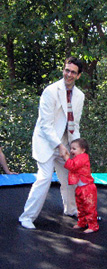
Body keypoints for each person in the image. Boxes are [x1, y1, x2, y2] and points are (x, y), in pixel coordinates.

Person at [19, 56, 85, 229]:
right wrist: (60, 146)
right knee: (45, 178)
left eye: (73, 72)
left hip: (65, 143)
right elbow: (45, 125)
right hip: (47, 142)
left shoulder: (79, 96)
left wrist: (75, 148)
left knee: (71, 177)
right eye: (67, 70)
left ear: (79, 76)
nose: (69, 74)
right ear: (63, 70)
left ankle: (70, 209)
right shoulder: (50, 91)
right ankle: (27, 217)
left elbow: (74, 124)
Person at [63, 138, 99, 233]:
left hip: (88, 188)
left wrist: (66, 157)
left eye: (74, 149)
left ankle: (93, 225)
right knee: (81, 207)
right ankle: (82, 222)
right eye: (71, 148)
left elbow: (72, 166)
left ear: (83, 150)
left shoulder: (83, 157)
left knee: (89, 207)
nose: (71, 151)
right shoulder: (77, 158)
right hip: (80, 188)